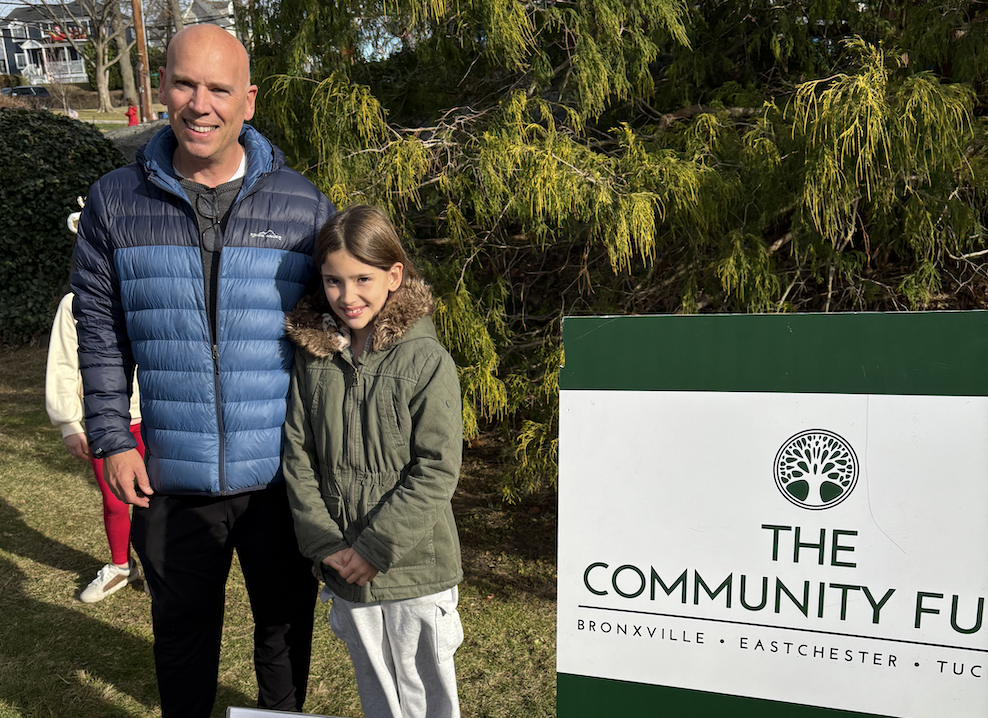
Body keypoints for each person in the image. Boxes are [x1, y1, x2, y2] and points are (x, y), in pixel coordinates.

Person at [70, 23, 333, 718]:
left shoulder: (302, 206)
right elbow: (98, 330)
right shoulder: (115, 202)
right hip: (170, 477)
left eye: (219, 88)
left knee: (283, 635)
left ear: (247, 100)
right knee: (181, 641)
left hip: (281, 474)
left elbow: (337, 337)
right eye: (185, 83)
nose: (200, 103)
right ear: (162, 88)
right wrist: (113, 437)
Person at [283, 204, 465, 718]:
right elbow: (298, 456)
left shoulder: (425, 360)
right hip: (343, 565)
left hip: (414, 567)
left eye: (363, 278)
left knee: (427, 694)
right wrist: (327, 543)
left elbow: (436, 469)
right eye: (333, 281)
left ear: (394, 275)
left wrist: (376, 547)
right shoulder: (312, 356)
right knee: (378, 693)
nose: (348, 296)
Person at [45, 291, 146, 603]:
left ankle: (159, 569)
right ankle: (120, 565)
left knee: (154, 498)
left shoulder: (145, 291)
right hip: (103, 419)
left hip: (153, 415)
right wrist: (68, 422)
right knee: (115, 500)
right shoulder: (73, 303)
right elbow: (63, 361)